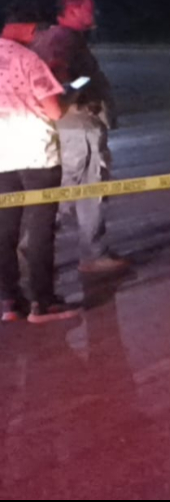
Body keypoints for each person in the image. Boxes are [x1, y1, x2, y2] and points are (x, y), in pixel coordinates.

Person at [29, 0, 128, 275]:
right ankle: (33, 254)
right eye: (88, 9)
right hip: (78, 127)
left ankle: (39, 253)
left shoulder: (63, 38)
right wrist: (76, 89)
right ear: (72, 10)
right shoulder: (62, 39)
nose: (93, 14)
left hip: (76, 125)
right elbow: (55, 76)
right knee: (81, 189)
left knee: (77, 189)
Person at [0, 33, 80, 323]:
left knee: (5, 230)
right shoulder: (28, 59)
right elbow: (55, 110)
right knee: (40, 229)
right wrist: (68, 88)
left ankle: (10, 301)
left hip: (2, 157)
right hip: (37, 154)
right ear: (29, 29)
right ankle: (42, 302)